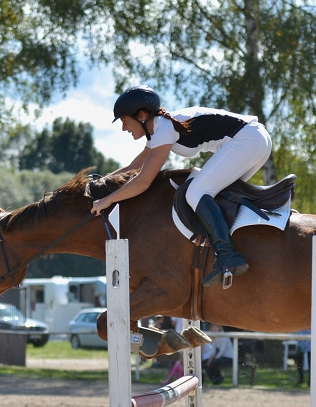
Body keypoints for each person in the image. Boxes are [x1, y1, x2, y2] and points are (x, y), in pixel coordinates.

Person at [90, 86, 273, 288]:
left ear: (141, 115)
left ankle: (228, 257)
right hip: (255, 140)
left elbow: (143, 182)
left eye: (125, 122)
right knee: (215, 195)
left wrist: (108, 199)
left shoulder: (163, 129)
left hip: (248, 140)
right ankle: (232, 253)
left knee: (196, 191)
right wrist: (103, 181)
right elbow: (135, 167)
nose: (124, 128)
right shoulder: (158, 130)